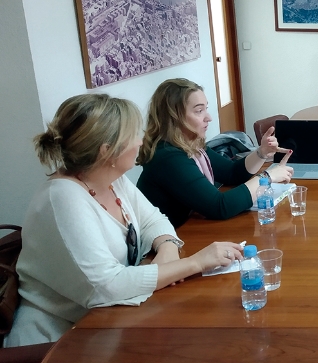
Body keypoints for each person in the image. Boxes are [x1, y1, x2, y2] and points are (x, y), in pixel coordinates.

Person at [4, 94, 245, 347]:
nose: (141, 141)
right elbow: (105, 287)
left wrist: (167, 250)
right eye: (134, 135)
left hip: (113, 324)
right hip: (59, 341)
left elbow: (155, 219)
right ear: (107, 150)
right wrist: (196, 262)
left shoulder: (110, 178)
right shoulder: (63, 198)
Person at [137, 79, 294, 228]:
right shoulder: (168, 156)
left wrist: (261, 153)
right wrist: (267, 177)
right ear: (174, 118)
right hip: (172, 242)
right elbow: (219, 206)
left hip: (189, 230)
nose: (209, 117)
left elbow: (231, 173)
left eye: (206, 108)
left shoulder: (191, 144)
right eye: (199, 111)